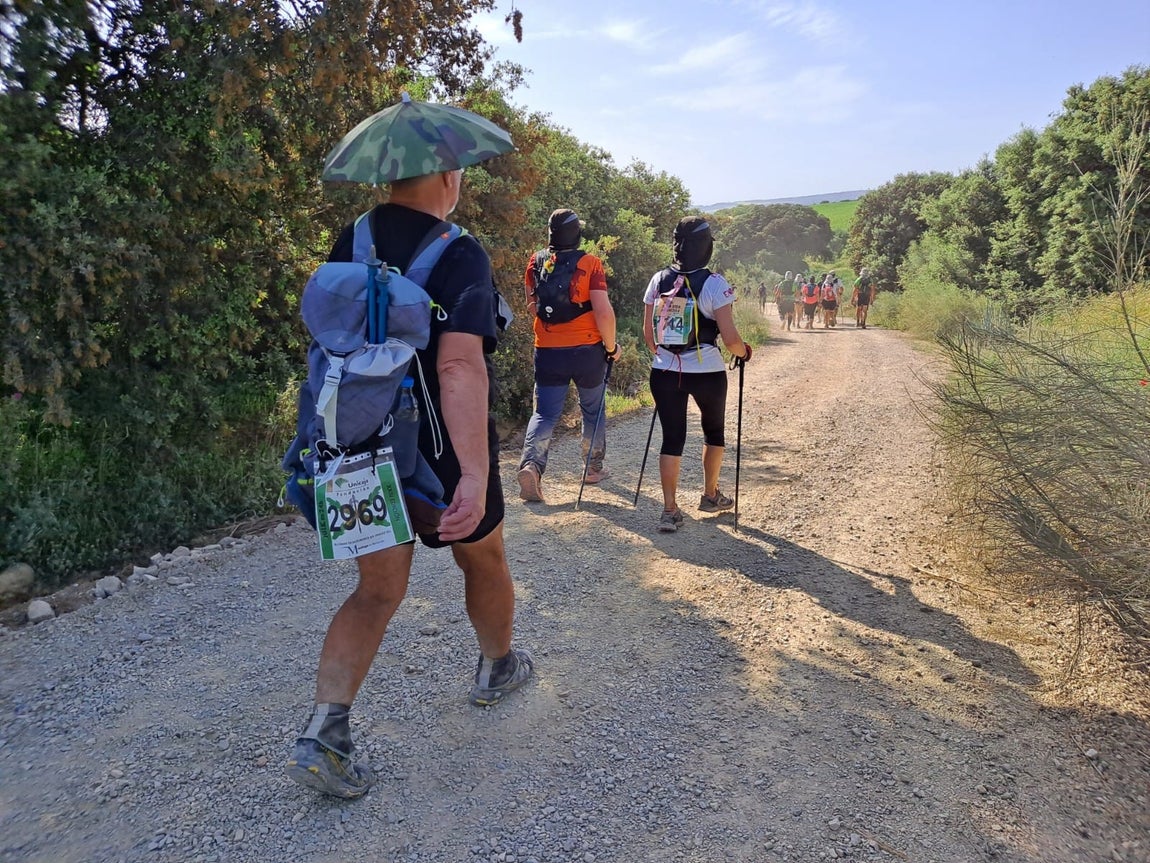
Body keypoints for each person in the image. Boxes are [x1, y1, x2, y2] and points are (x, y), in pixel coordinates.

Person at [286, 165, 533, 799]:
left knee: (375, 591)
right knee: (483, 557)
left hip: (355, 440)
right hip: (438, 448)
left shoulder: (354, 238)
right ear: (449, 176)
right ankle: (497, 669)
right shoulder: (459, 251)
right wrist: (473, 473)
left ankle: (325, 732)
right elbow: (459, 364)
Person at [642, 216, 751, 533]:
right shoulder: (715, 284)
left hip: (663, 370)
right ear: (706, 248)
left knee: (672, 437)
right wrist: (743, 352)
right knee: (713, 431)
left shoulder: (658, 280)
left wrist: (666, 357)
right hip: (707, 372)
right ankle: (710, 495)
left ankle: (669, 510)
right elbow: (730, 340)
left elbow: (650, 336)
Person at [517, 209, 619, 502]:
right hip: (587, 351)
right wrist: (611, 347)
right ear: (576, 233)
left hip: (548, 350)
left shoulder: (535, 262)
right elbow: (603, 312)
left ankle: (532, 467)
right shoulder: (590, 264)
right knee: (592, 409)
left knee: (545, 412)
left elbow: (532, 307)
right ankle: (592, 468)